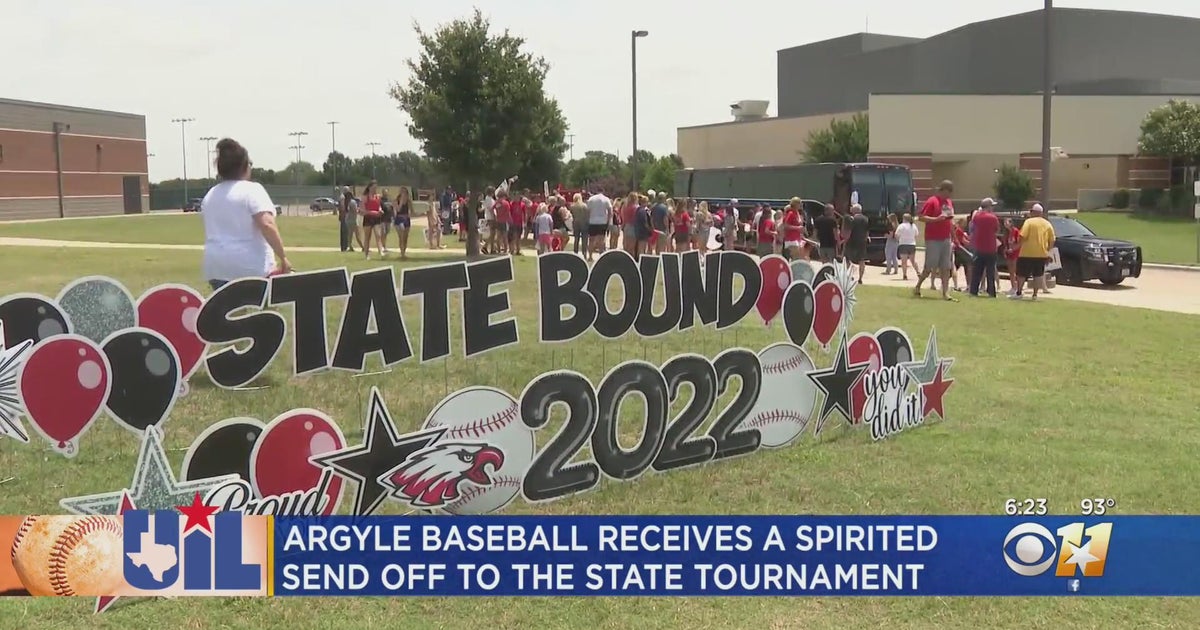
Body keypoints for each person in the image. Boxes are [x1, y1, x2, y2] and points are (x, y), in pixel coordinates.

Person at [201, 138, 291, 290]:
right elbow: (267, 224)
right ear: (244, 166)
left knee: (225, 311)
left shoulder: (211, 194)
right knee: (257, 312)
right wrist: (283, 257)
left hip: (215, 265)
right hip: (249, 266)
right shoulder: (253, 190)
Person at [913, 180, 957, 301]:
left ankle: (945, 293)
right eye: (949, 192)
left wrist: (954, 236)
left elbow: (949, 220)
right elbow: (921, 217)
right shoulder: (932, 201)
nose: (950, 195)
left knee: (946, 267)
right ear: (943, 190)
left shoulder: (949, 202)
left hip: (946, 238)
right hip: (933, 239)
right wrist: (936, 219)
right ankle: (918, 286)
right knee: (929, 266)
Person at [1012, 204, 1056, 300]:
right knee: (1038, 275)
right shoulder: (1047, 224)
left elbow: (1023, 236)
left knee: (1021, 274)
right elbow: (1052, 240)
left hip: (1026, 253)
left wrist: (1015, 247)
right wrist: (1049, 253)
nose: (1030, 213)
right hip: (1041, 254)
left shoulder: (1029, 222)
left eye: (1031, 211)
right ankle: (1035, 295)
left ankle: (1019, 292)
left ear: (1035, 212)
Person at [968, 199, 1000, 297]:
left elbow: (972, 229)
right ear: (988, 206)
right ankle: (991, 292)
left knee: (977, 271)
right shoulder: (993, 218)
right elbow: (997, 230)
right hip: (991, 247)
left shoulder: (976, 217)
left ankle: (973, 291)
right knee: (990, 271)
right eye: (992, 206)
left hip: (979, 248)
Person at [844, 203, 869, 284]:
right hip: (862, 242)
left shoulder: (852, 219)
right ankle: (860, 278)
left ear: (855, 210)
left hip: (852, 241)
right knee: (861, 260)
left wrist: (845, 240)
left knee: (847, 259)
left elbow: (849, 231)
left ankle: (848, 276)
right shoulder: (866, 219)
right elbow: (867, 231)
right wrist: (866, 238)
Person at [585, 187, 613, 261]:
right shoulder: (606, 199)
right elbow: (610, 211)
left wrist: (588, 220)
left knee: (591, 240)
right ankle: (601, 256)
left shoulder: (591, 199)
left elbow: (588, 211)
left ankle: (590, 256)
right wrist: (608, 221)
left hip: (592, 221)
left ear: (596, 191)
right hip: (602, 222)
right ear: (602, 191)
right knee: (602, 240)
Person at [360, 181, 384, 259]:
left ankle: (380, 251)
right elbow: (363, 210)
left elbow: (379, 206)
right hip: (368, 218)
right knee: (367, 237)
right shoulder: (365, 197)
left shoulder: (377, 196)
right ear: (369, 188)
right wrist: (374, 213)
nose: (375, 189)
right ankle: (367, 254)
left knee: (378, 235)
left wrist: (380, 210)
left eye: (376, 188)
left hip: (377, 218)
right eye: (373, 188)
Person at [895, 213, 920, 280]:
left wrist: (898, 240)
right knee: (913, 260)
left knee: (904, 261)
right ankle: (918, 272)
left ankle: (905, 275)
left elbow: (896, 235)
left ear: (904, 218)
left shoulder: (901, 226)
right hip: (912, 244)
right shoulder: (913, 226)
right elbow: (916, 235)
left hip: (903, 244)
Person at [393, 186, 413, 260]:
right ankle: (402, 254)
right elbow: (397, 210)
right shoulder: (396, 200)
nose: (403, 194)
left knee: (405, 237)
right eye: (402, 192)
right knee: (401, 237)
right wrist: (401, 202)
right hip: (399, 219)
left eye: (405, 192)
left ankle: (404, 252)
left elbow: (412, 211)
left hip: (406, 219)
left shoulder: (408, 201)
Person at [1003, 217, 1022, 295]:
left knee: (1015, 270)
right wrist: (1005, 250)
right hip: (1009, 253)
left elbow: (1019, 243)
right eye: (1004, 223)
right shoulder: (1006, 233)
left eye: (1007, 222)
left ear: (1011, 223)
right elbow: (1005, 243)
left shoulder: (1016, 231)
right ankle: (1013, 287)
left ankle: (1018, 287)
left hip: (1015, 253)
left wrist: (1013, 249)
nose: (1005, 224)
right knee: (1010, 271)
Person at [337, 186, 358, 252]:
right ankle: (344, 247)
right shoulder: (343, 197)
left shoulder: (342, 196)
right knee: (345, 232)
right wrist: (346, 213)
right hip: (344, 217)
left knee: (344, 232)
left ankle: (343, 247)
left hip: (343, 216)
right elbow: (343, 207)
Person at [632, 194, 653, 259]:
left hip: (638, 230)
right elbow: (645, 222)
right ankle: (641, 259)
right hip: (643, 231)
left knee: (640, 246)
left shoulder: (638, 209)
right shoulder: (642, 211)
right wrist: (650, 229)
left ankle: (639, 258)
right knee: (642, 247)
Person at [493, 189, 511, 255]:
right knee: (505, 236)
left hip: (498, 220)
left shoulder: (497, 202)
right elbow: (508, 213)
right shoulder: (506, 203)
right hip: (504, 221)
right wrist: (510, 220)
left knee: (498, 236)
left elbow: (493, 209)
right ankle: (505, 250)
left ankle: (498, 249)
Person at [482, 185, 497, 255]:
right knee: (492, 233)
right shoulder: (489, 199)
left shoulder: (488, 198)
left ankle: (492, 248)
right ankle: (485, 246)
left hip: (489, 217)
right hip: (491, 217)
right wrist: (495, 217)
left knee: (493, 234)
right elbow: (492, 209)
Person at [379, 189, 394, 256]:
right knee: (383, 233)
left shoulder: (389, 200)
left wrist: (393, 216)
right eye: (385, 192)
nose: (386, 194)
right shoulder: (380, 200)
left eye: (386, 192)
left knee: (386, 233)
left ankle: (384, 245)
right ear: (383, 193)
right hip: (382, 219)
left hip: (389, 219)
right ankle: (383, 246)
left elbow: (392, 209)